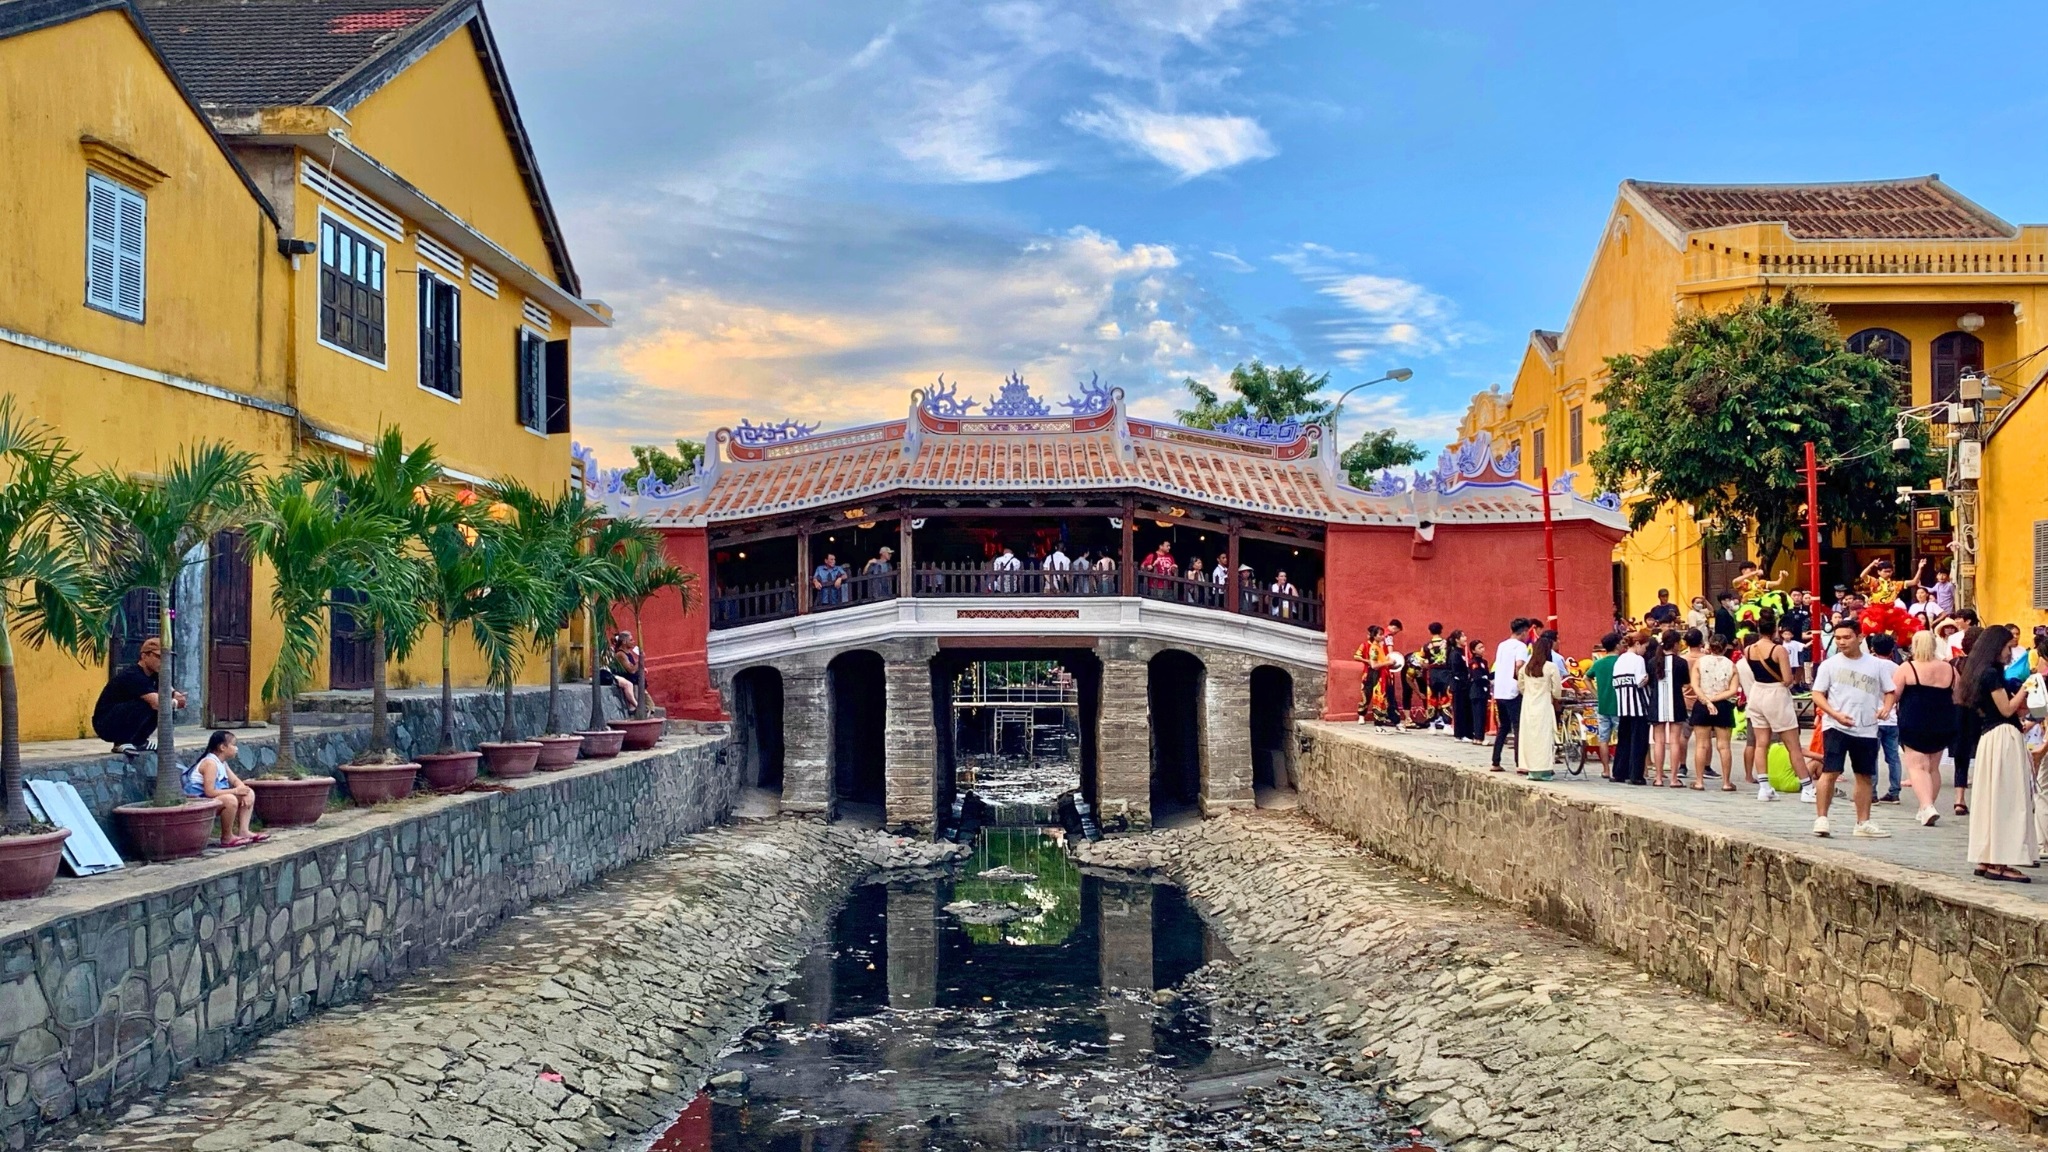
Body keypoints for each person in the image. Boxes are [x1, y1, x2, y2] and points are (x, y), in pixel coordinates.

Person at [1809, 621, 1896, 839]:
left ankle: (1863, 821)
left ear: (1859, 637)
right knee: (1830, 771)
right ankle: (1822, 818)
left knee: (1864, 775)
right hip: (1836, 725)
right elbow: (1817, 694)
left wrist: (1886, 708)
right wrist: (1834, 713)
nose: (1841, 642)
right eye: (1838, 638)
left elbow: (1890, 691)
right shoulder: (1829, 665)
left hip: (1866, 727)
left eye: (1846, 637)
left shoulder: (1876, 665)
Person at [1963, 625, 2035, 882]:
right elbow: (2006, 709)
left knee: (1991, 798)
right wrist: (2028, 687)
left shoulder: (1980, 673)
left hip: (1990, 737)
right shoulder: (1992, 674)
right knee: (2007, 799)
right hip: (2003, 736)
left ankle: (1987, 857)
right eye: (2007, 648)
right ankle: (2000, 860)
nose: (2009, 653)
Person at [1737, 610, 1810, 802]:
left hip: (1756, 693)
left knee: (1761, 743)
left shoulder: (1748, 650)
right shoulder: (1779, 650)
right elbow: (1787, 679)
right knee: (1792, 744)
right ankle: (1807, 787)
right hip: (1776, 694)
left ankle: (1764, 787)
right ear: (1776, 630)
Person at [1893, 629, 1957, 827]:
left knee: (1916, 766)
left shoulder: (1907, 667)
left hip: (1914, 719)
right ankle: (1926, 807)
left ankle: (1927, 805)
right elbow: (1959, 694)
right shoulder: (1949, 669)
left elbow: (1894, 693)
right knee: (1932, 767)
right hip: (1943, 720)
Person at [92, 636, 183, 752]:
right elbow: (157, 703)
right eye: (159, 657)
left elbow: (170, 691)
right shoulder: (133, 675)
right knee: (149, 704)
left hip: (122, 719)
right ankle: (121, 742)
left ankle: (139, 741)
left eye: (167, 658)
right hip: (106, 723)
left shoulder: (155, 675)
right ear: (144, 656)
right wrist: (175, 702)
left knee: (160, 703)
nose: (164, 662)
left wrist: (177, 696)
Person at [186, 730, 263, 848]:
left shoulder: (222, 763)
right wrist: (236, 791)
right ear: (222, 747)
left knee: (249, 793)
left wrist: (244, 790)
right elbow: (209, 792)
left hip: (213, 799)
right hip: (201, 802)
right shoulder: (210, 763)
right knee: (230, 799)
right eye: (233, 745)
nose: (236, 749)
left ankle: (244, 831)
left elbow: (236, 781)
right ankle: (227, 837)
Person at [1689, 633, 1738, 791]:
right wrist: (1716, 698)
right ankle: (1726, 782)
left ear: (1709, 646)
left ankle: (1699, 781)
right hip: (1722, 705)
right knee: (1724, 746)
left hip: (1702, 704)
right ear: (1725, 648)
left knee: (1701, 745)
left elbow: (1695, 685)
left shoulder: (1700, 662)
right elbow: (1732, 690)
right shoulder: (1731, 665)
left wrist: (1707, 700)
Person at [1646, 630, 1691, 787]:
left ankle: (1658, 778)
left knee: (1658, 741)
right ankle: (1673, 778)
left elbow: (1650, 682)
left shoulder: (1652, 662)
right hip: (1676, 703)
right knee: (1674, 741)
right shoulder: (1681, 662)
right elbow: (1686, 683)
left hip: (1656, 704)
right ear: (1676, 644)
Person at [1517, 632, 1563, 780]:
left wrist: (1530, 693)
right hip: (1543, 704)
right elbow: (1557, 690)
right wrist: (1554, 696)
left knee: (1529, 737)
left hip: (1528, 704)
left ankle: (1530, 768)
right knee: (1543, 737)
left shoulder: (1525, 668)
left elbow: (1521, 686)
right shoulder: (1551, 667)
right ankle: (1543, 769)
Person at [1868, 633, 1905, 804]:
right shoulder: (1897, 668)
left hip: (1872, 717)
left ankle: (1872, 792)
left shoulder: (1868, 665)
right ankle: (1895, 791)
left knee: (1871, 756)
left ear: (1873, 648)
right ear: (1892, 650)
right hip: (1891, 717)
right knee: (1893, 758)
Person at [1490, 618, 1531, 770]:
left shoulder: (1502, 645)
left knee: (1504, 726)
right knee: (1518, 726)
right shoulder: (1520, 646)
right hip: (1513, 690)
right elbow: (1519, 664)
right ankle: (1520, 762)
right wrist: (1521, 682)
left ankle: (1496, 761)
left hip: (1500, 690)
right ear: (1524, 631)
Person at [1611, 631, 1651, 785]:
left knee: (1624, 740)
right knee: (1639, 741)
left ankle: (1619, 772)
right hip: (1638, 705)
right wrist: (1648, 678)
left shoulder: (1620, 660)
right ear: (1638, 644)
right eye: (1644, 647)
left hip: (1623, 705)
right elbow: (1640, 681)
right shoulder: (1638, 660)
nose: (1645, 651)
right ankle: (1636, 775)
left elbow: (1615, 682)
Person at [1589, 633, 1621, 778]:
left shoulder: (1599, 663)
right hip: (1618, 705)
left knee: (1603, 739)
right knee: (1621, 738)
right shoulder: (1620, 662)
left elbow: (1586, 678)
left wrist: (1596, 694)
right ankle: (1619, 768)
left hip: (1603, 705)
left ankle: (1606, 769)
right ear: (1616, 645)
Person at [602, 631, 643, 712]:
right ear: (624, 642)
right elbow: (631, 670)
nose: (633, 642)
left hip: (632, 678)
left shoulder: (628, 653)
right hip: (622, 677)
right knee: (631, 684)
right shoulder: (621, 654)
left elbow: (632, 667)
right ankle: (635, 707)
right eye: (631, 640)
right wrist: (640, 661)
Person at [1422, 623, 1453, 729]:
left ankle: (1431, 725)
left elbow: (1422, 661)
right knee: (1446, 697)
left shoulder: (1426, 646)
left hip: (1433, 674)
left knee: (1432, 698)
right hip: (1445, 673)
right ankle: (1447, 725)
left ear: (1430, 631)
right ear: (1441, 630)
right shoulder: (1447, 644)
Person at [1447, 630, 1476, 741]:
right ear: (1456, 640)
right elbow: (1456, 671)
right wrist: (1464, 679)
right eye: (1462, 636)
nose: (1465, 638)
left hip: (1465, 685)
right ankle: (1460, 734)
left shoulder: (1463, 652)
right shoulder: (1455, 654)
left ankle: (1468, 733)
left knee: (1466, 709)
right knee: (1460, 710)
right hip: (1459, 685)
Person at [1464, 640, 1493, 747]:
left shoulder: (1484, 662)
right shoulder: (1474, 663)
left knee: (1482, 715)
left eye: (1483, 647)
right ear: (1473, 650)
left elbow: (1487, 675)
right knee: (1478, 715)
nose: (1482, 649)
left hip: (1483, 692)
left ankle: (1479, 737)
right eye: (1479, 648)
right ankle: (1479, 737)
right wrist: (1487, 680)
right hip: (1476, 691)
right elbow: (1477, 677)